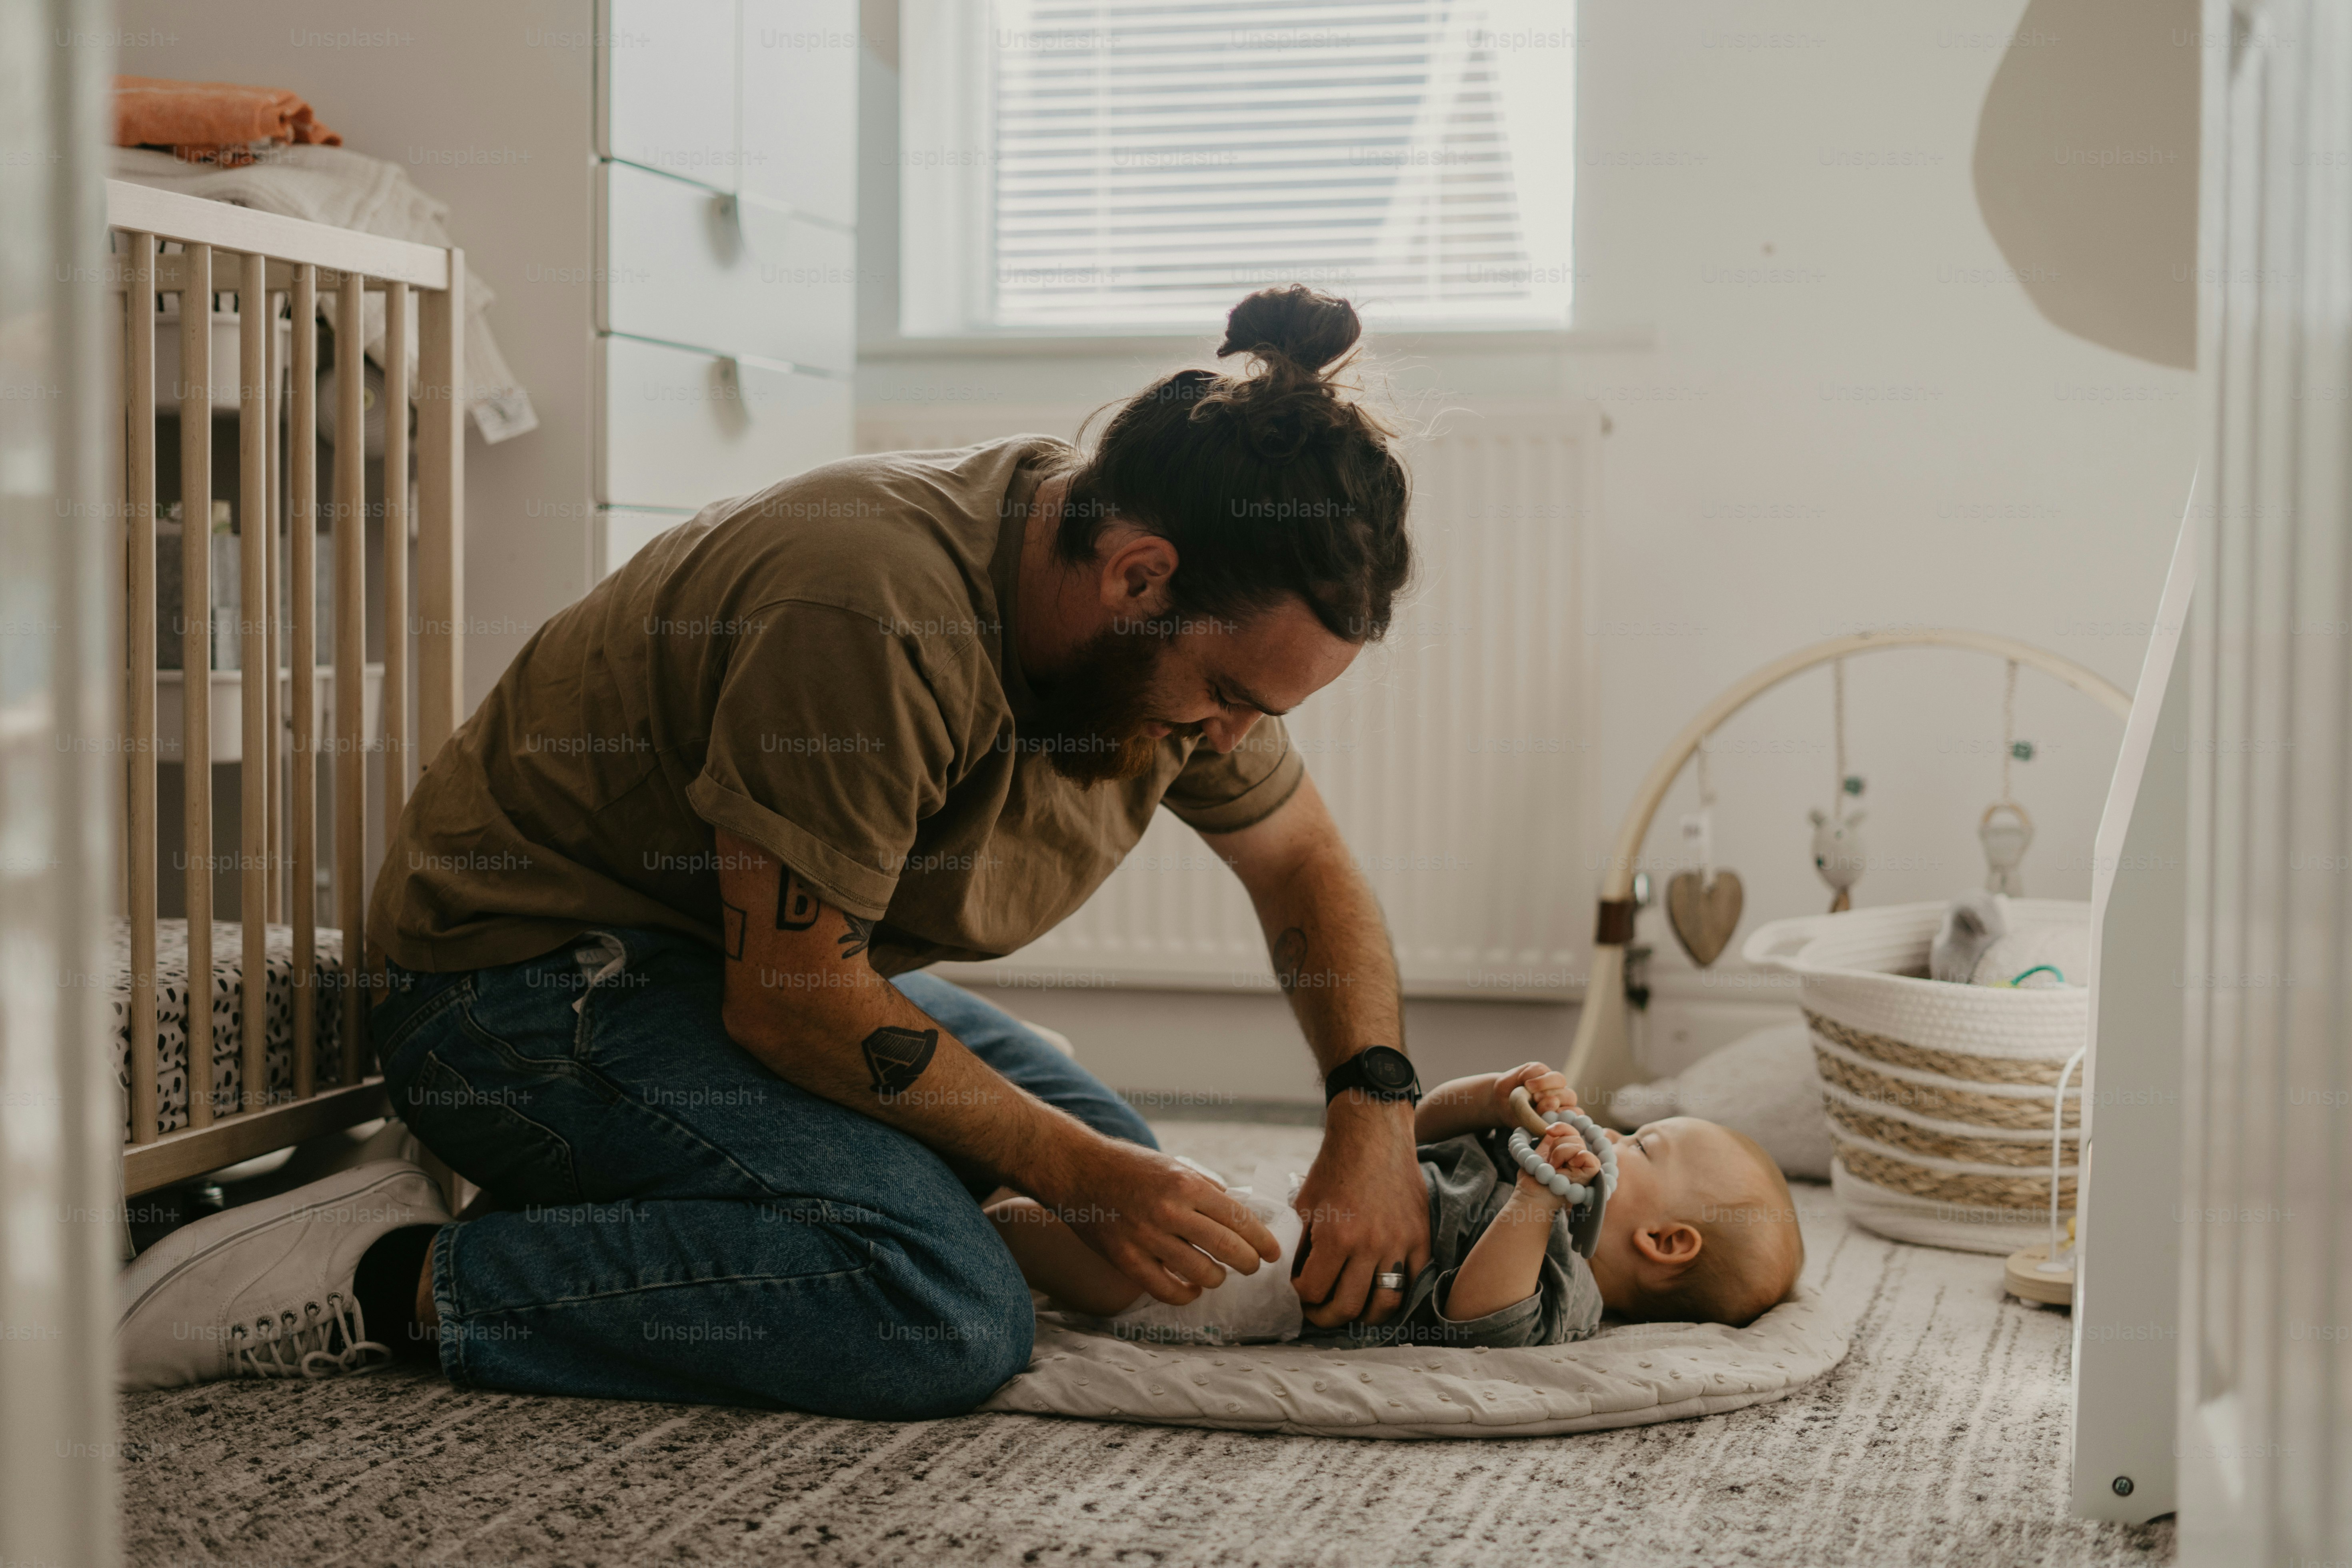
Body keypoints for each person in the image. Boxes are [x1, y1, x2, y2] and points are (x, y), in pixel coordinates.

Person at [118, 285, 1432, 1417]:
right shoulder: (870, 604)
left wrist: (1373, 1108)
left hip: (732, 973)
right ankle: (383, 1275)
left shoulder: (1170, 631)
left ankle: (717, 1211)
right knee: (946, 1307)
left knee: (1145, 1231)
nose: (1232, 735)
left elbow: (1302, 867)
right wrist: (1055, 1160)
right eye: (1231, 696)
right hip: (517, 993)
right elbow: (795, 996)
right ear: (1138, 577)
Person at [994, 1064, 1806, 1347]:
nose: (1615, 1135)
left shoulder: (1573, 1287)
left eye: (1643, 1145)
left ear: (1666, 1241)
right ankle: (989, 1167)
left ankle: (975, 1213)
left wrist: (1535, 1200)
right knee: (1127, 1185)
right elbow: (1403, 1135)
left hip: (1263, 1281)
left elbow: (1480, 1318)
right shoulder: (1520, 1158)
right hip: (1281, 1203)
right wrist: (1489, 1095)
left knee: (1052, 1245)